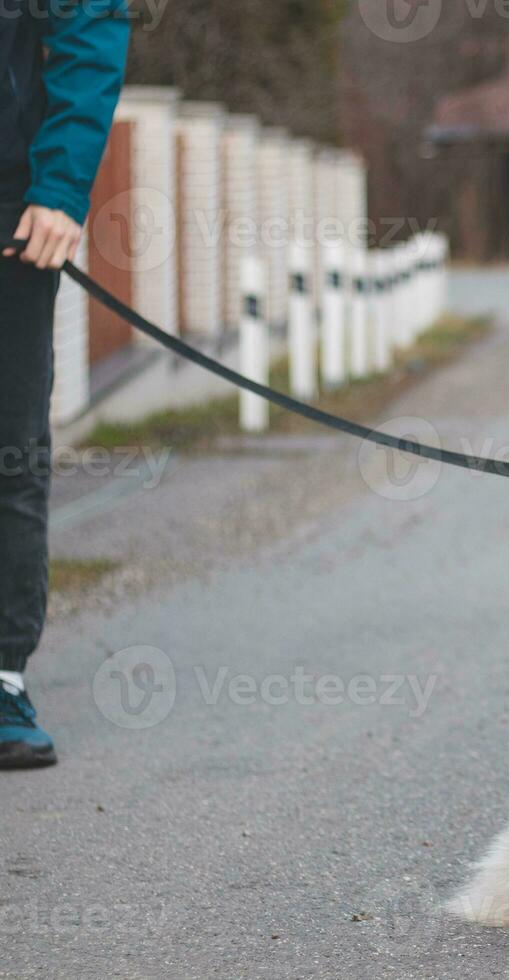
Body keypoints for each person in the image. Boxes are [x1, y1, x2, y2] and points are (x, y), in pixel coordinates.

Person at [1, 0, 131, 769]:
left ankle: (2, 677)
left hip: (12, 205)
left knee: (8, 448)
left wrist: (59, 185)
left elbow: (89, 22)